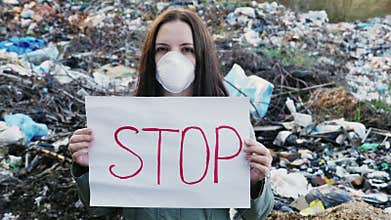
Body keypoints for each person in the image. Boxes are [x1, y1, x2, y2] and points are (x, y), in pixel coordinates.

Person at [68, 8, 274, 220]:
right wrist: (86, 169)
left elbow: (257, 215)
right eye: (163, 49)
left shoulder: (229, 125)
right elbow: (100, 209)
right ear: (151, 56)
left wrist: (254, 183)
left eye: (187, 50)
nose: (173, 58)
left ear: (201, 55)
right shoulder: (123, 122)